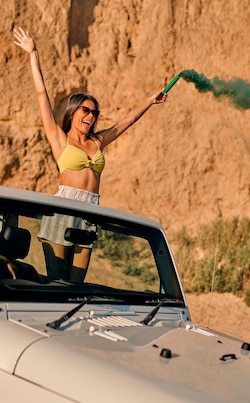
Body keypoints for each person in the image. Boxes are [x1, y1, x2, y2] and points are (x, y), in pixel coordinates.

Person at [13, 26, 168, 282]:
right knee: (57, 284)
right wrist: (33, 53)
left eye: (94, 113)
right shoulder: (59, 139)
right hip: (62, 210)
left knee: (75, 286)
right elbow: (42, 94)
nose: (90, 116)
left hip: (90, 214)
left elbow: (125, 121)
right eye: (86, 110)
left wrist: (150, 100)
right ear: (73, 112)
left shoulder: (98, 141)